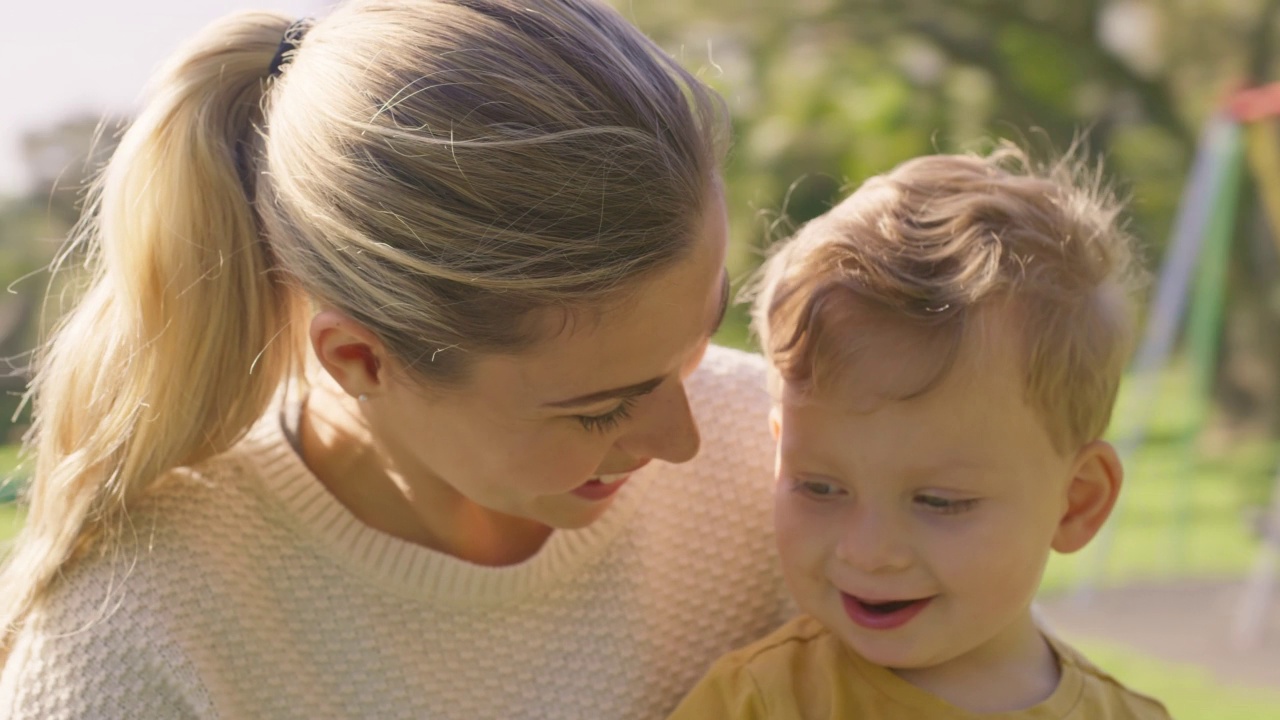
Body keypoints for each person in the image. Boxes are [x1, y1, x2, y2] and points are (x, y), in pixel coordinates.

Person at [0, 1, 790, 717]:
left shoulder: (812, 477)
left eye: (699, 342)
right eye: (600, 409)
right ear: (360, 360)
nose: (686, 440)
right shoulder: (138, 638)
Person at [669, 146, 1173, 718]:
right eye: (819, 487)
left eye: (939, 501)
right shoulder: (758, 704)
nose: (868, 552)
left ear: (1077, 503)